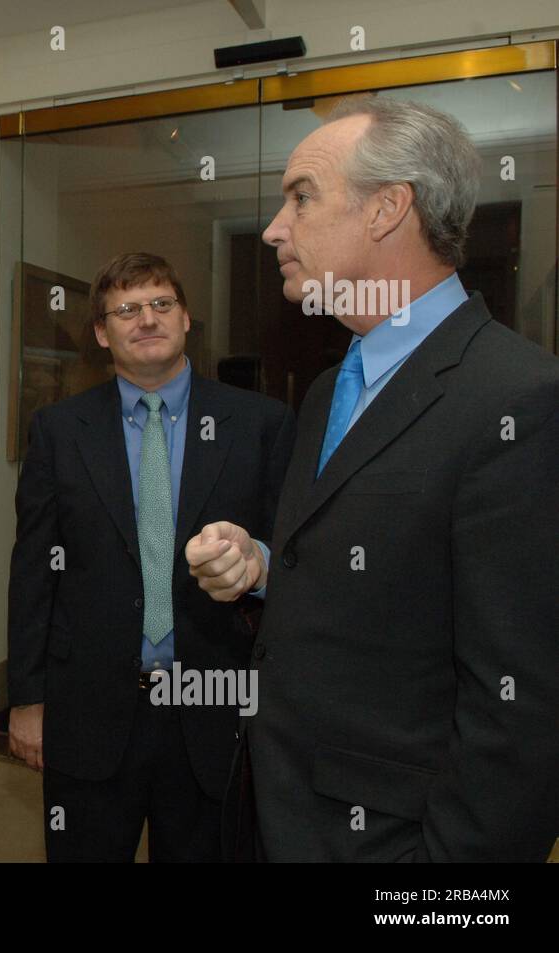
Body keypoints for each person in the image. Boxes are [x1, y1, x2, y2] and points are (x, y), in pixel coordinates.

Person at [186, 96, 559, 861]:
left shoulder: (519, 399)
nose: (274, 229)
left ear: (389, 208)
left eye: (302, 196)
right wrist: (261, 564)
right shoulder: (329, 389)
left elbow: (521, 713)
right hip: (280, 806)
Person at [8, 252, 294, 861]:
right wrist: (28, 702)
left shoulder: (260, 424)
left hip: (214, 703)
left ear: (187, 317)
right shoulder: (60, 430)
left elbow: (290, 559)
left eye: (161, 303)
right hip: (90, 708)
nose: (147, 319)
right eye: (126, 309)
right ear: (101, 332)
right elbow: (34, 571)